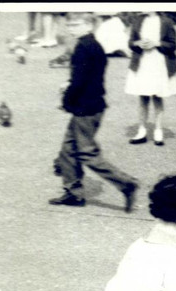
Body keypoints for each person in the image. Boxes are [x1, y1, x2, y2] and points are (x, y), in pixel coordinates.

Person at [49, 13, 138, 211]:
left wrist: (66, 100)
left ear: (89, 25)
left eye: (76, 24)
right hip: (93, 104)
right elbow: (89, 77)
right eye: (69, 24)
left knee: (86, 153)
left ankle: (126, 183)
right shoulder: (95, 45)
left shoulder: (83, 47)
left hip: (85, 109)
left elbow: (79, 81)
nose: (71, 28)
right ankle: (74, 192)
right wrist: (71, 86)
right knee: (67, 150)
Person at [125, 11, 176, 147]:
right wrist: (138, 43)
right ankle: (141, 130)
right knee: (143, 97)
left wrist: (156, 43)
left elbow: (173, 45)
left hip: (158, 61)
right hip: (143, 61)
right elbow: (130, 42)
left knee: (157, 96)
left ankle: (158, 130)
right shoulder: (138, 20)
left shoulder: (166, 21)